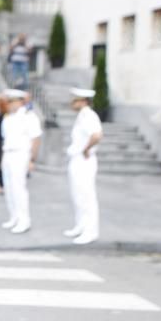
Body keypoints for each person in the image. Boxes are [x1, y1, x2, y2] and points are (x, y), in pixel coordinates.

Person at [0, 89, 42, 234]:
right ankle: (14, 217)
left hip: (21, 154)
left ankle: (24, 220)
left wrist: (32, 159)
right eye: (9, 101)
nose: (10, 104)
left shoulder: (29, 117)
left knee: (19, 188)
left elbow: (36, 139)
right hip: (8, 153)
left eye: (13, 101)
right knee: (9, 187)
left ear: (21, 101)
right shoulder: (8, 118)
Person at [65, 88, 103, 245]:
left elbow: (97, 135)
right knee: (77, 195)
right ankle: (80, 225)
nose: (72, 103)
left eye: (75, 100)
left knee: (86, 196)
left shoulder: (89, 116)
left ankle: (90, 231)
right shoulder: (82, 116)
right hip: (77, 159)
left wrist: (86, 148)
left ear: (84, 101)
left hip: (84, 160)